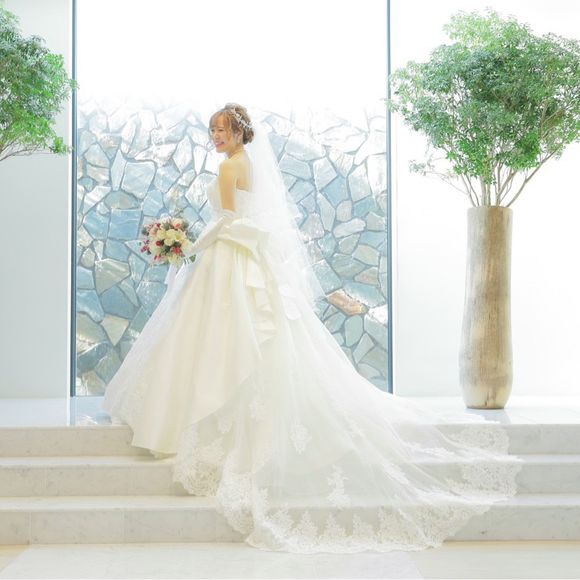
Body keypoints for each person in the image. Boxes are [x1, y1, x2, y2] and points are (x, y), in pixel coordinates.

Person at [102, 102, 524, 554]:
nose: (216, 137)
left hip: (229, 260)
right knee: (249, 337)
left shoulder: (228, 168)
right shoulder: (249, 165)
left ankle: (199, 417)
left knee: (220, 338)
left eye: (222, 130)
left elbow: (226, 222)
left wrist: (187, 246)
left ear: (240, 132)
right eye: (213, 130)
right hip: (247, 260)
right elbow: (246, 218)